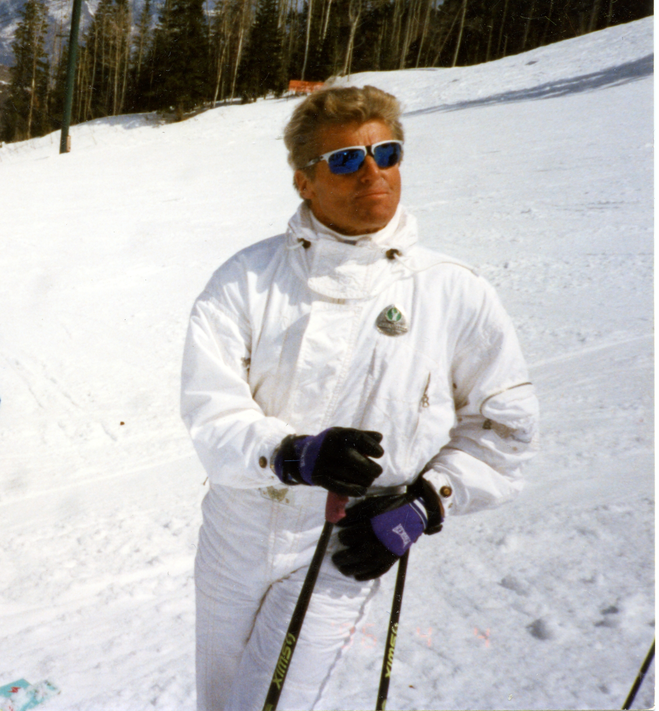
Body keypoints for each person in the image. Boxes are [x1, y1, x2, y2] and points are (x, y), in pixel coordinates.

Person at [181, 85, 540, 710]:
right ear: (305, 182)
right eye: (347, 160)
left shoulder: (451, 290)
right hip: (239, 526)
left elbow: (504, 425)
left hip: (351, 541)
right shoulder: (247, 279)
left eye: (388, 153)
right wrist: (292, 453)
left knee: (269, 704)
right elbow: (212, 409)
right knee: (220, 700)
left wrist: (427, 503)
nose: (373, 172)